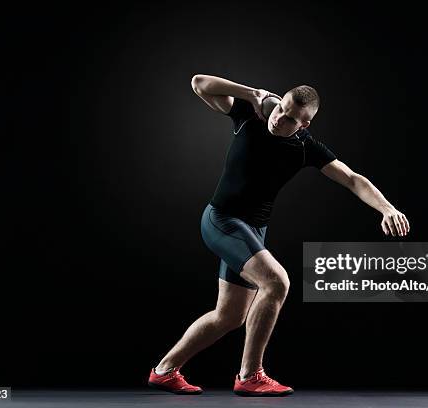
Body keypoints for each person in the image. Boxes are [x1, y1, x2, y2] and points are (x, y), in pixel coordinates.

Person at [147, 74, 410, 397]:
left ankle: (164, 370)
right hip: (222, 220)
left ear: (305, 124)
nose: (279, 119)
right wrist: (251, 93)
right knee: (276, 282)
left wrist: (387, 209)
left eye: (289, 118)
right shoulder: (252, 115)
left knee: (228, 316)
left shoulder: (305, 148)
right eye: (280, 109)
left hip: (253, 231)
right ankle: (250, 375)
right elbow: (199, 83)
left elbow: (353, 179)